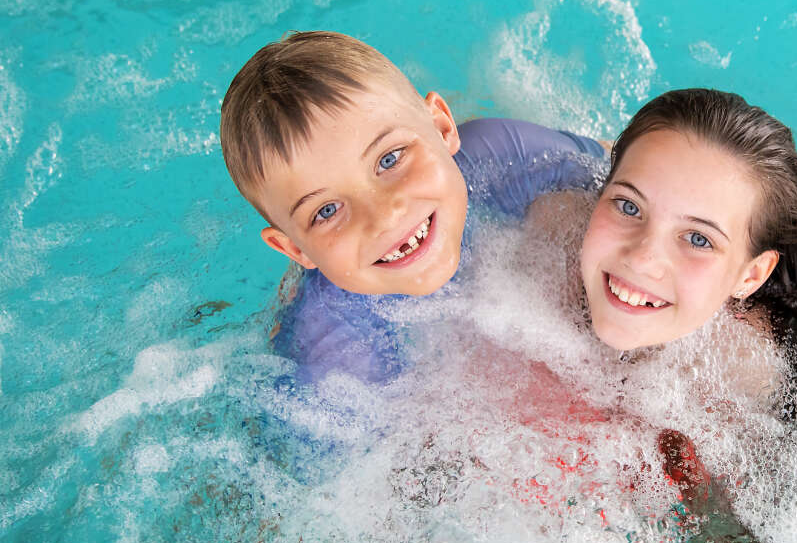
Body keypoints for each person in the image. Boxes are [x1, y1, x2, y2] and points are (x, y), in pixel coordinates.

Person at [219, 30, 606, 386]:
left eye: (390, 159)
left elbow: (629, 176)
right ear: (295, 249)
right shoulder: (336, 354)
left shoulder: (504, 156)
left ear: (442, 127)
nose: (383, 215)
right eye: (326, 210)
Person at [579, 87, 797, 401]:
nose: (641, 259)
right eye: (628, 206)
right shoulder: (553, 223)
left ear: (751, 275)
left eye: (698, 239)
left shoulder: (741, 380)